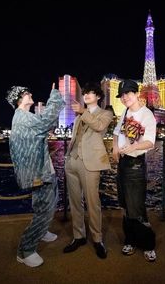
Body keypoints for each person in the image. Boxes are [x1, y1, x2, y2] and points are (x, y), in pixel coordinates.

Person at [6, 84, 65, 267]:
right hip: (38, 173)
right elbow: (46, 122)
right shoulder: (23, 117)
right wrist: (54, 96)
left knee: (45, 204)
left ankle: (42, 230)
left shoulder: (26, 116)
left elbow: (44, 126)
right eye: (25, 93)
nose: (30, 94)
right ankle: (26, 250)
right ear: (18, 100)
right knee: (44, 210)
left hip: (42, 169)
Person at [63, 82, 113, 259]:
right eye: (84, 94)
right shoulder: (78, 116)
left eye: (90, 93)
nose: (86, 96)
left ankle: (97, 239)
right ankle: (79, 236)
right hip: (72, 162)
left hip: (90, 163)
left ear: (98, 96)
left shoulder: (106, 113)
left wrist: (83, 112)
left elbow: (99, 127)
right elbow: (75, 137)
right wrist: (68, 158)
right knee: (75, 202)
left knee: (93, 203)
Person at [112, 79, 157, 262]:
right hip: (123, 164)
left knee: (136, 207)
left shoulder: (146, 114)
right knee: (124, 204)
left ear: (137, 93)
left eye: (128, 93)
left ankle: (148, 245)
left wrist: (132, 148)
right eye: (122, 95)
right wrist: (115, 148)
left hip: (136, 164)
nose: (124, 98)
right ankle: (130, 240)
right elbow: (116, 132)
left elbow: (150, 142)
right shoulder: (124, 112)